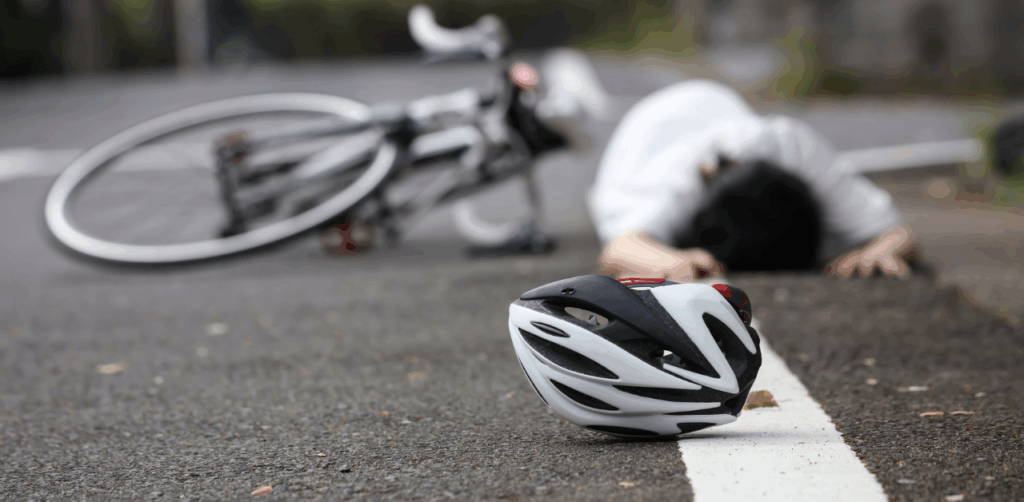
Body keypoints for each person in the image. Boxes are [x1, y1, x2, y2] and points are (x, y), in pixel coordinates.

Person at [589, 79, 916, 282]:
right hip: (643, 136)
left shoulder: (790, 145)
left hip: (717, 106)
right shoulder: (679, 178)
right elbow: (620, 249)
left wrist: (877, 252)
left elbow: (897, 233)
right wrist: (675, 260)